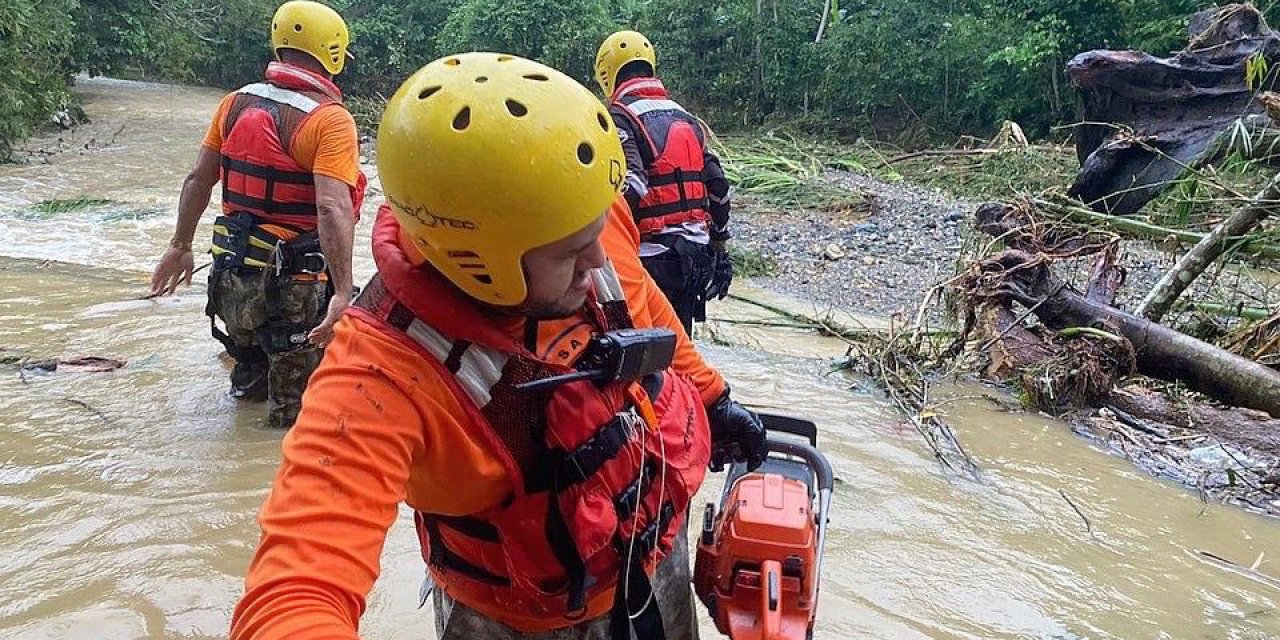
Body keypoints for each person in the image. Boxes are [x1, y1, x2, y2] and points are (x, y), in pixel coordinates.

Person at [228, 53, 766, 640]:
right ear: (483, 262)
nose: (598, 258)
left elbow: (639, 299)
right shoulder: (379, 373)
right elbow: (296, 588)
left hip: (650, 552)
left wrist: (713, 398)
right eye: (572, 252)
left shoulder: (576, 208)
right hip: (507, 616)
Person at [149, 0, 365, 429]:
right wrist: (342, 291)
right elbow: (332, 206)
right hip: (296, 290)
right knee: (295, 418)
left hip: (233, 278)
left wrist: (179, 245)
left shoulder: (234, 103)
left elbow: (198, 179)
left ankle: (235, 458)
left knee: (247, 389)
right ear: (333, 52)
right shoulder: (331, 121)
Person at [594, 31, 735, 334]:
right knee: (680, 344)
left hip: (653, 258)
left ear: (607, 73)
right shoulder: (686, 118)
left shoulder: (620, 117)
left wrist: (596, 235)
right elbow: (718, 186)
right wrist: (720, 250)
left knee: (639, 345)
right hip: (695, 257)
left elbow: (632, 184)